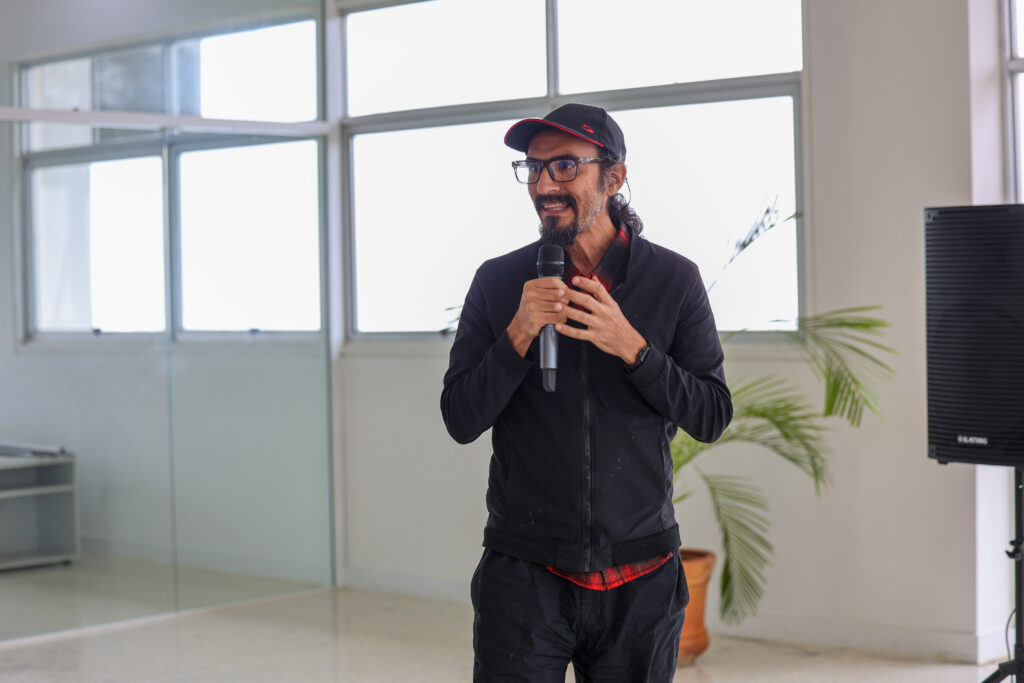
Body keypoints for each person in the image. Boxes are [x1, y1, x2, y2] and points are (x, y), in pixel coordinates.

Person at [440, 103, 733, 682]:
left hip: (641, 581)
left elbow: (711, 414)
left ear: (614, 177)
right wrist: (519, 333)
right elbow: (460, 417)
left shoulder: (674, 279)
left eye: (565, 166)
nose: (544, 185)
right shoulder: (499, 282)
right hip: (524, 575)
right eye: (534, 168)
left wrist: (634, 348)